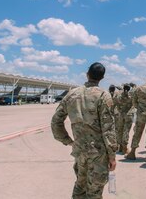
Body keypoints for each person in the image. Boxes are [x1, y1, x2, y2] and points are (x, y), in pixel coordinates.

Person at [51, 62, 117, 199]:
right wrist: (112, 156)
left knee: (80, 186)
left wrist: (68, 141)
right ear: (102, 77)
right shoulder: (104, 96)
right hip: (98, 154)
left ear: (87, 74)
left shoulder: (71, 94)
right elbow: (108, 128)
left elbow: (56, 122)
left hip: (80, 151)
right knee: (94, 191)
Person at [126, 73, 146, 162]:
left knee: (138, 132)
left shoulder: (139, 88)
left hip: (141, 113)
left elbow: (134, 101)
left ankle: (132, 152)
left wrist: (139, 108)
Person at [115, 83, 134, 155]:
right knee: (126, 131)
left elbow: (117, 104)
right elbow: (134, 103)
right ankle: (124, 148)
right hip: (128, 114)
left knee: (120, 130)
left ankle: (120, 147)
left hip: (121, 114)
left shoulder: (119, 96)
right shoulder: (131, 95)